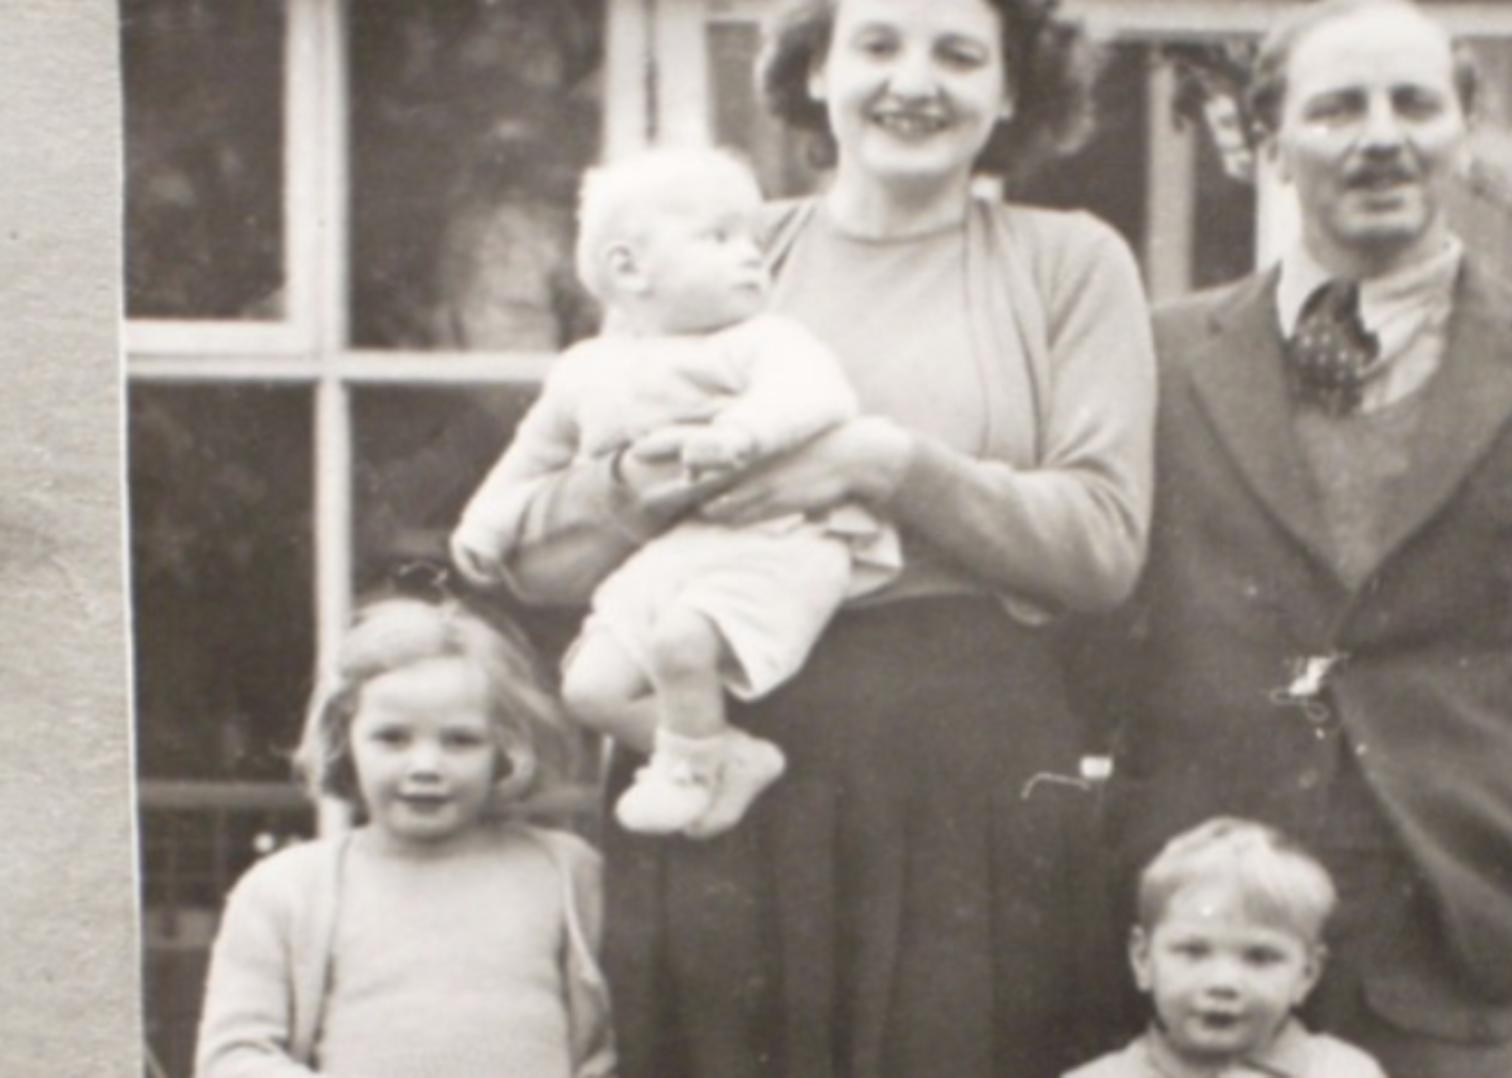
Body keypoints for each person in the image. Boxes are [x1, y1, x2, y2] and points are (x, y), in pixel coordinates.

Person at [461, 0, 1157, 1073]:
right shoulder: (724, 255)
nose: (912, 81)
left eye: (959, 54)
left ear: (1012, 89)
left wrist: (882, 463)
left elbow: (1102, 546)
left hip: (963, 760)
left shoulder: (1066, 261)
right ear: (817, 73)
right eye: (876, 45)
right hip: (718, 737)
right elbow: (547, 563)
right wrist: (639, 485)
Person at [1095, 1, 1512, 1074]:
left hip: (1465, 913)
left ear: (1462, 132)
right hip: (1208, 921)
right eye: (1337, 108)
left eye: (1414, 104)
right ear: (1268, 142)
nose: (1381, 135)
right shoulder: (1159, 355)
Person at [452, 147, 898, 838]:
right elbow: (531, 455)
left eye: (753, 239)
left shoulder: (763, 340)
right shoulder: (585, 369)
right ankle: (726, 754)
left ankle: (687, 774)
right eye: (720, 238)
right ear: (630, 268)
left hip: (784, 540)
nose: (752, 255)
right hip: (682, 552)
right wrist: (485, 526)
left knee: (681, 643)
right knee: (590, 688)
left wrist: (744, 433)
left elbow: (818, 395)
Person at [194, 590, 613, 1077]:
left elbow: (617, 1042)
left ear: (506, 747)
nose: (426, 766)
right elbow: (233, 1057)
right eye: (392, 738)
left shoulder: (566, 873)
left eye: (461, 740)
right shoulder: (285, 890)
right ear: (343, 738)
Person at [1068, 818, 1384, 1078]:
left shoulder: (1345, 1072)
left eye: (1260, 957)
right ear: (1143, 960)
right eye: (1193, 952)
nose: (1223, 983)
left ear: (1307, 974)